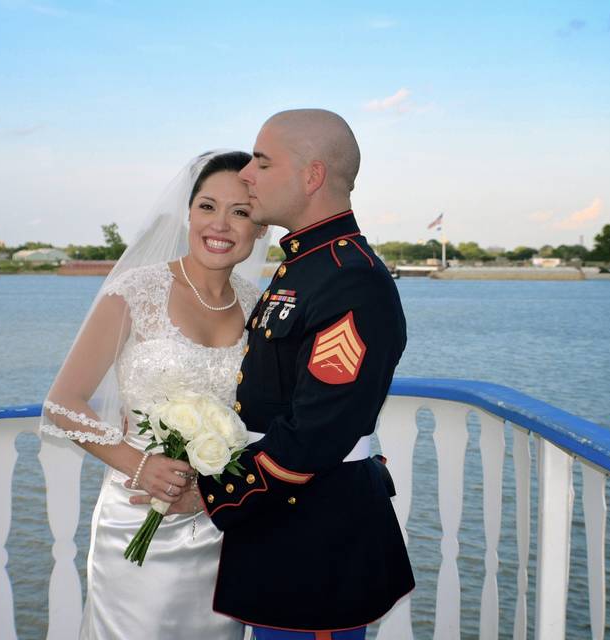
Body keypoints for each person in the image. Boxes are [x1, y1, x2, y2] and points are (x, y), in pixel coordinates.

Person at [195, 110, 416, 638]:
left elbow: (318, 433)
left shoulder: (350, 280)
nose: (247, 173)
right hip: (286, 531)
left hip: (316, 546)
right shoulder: (304, 266)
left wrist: (214, 492)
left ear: (312, 176)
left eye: (263, 163)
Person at [39, 150, 270, 640]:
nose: (221, 225)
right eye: (207, 206)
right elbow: (63, 403)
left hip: (217, 520)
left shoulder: (258, 308)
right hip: (136, 514)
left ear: (260, 228)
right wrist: (140, 464)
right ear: (187, 212)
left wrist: (218, 492)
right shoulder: (135, 291)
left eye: (241, 211)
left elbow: (268, 420)